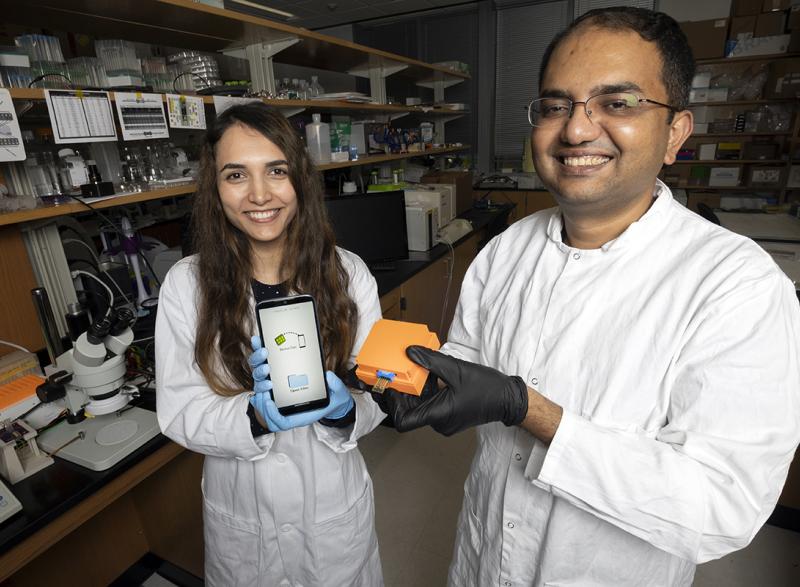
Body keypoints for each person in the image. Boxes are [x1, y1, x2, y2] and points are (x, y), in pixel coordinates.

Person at [379, 7, 800, 586]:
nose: (576, 130)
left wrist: (531, 411)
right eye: (556, 106)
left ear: (676, 131)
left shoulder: (736, 286)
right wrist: (420, 382)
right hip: (481, 561)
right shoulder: (505, 249)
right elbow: (471, 360)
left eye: (617, 103)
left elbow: (721, 507)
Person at [155, 103, 384, 586]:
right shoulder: (185, 285)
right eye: (236, 174)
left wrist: (344, 410)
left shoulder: (349, 274)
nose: (259, 194)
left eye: (276, 171)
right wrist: (253, 418)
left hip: (332, 511)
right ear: (215, 189)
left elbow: (377, 391)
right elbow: (178, 412)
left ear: (298, 179)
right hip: (242, 516)